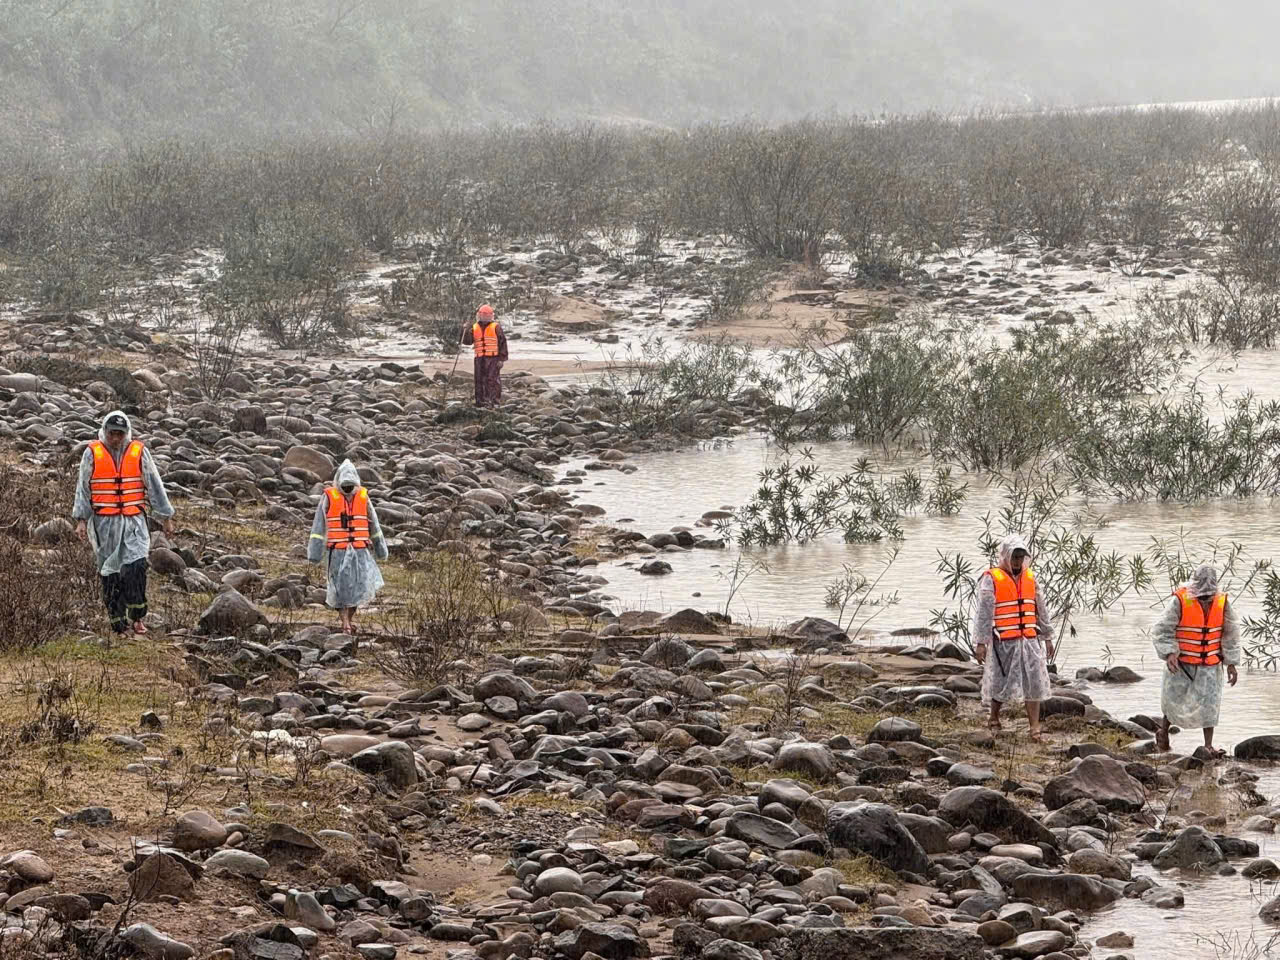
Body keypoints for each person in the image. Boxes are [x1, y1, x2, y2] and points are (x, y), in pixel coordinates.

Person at [71, 410, 175, 637]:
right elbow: (83, 488)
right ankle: (118, 624)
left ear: (126, 433)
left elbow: (154, 485)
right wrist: (81, 519)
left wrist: (166, 516)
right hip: (104, 524)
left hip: (134, 522)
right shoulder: (92, 453)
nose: (116, 438)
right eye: (112, 434)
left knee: (136, 567)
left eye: (120, 434)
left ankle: (137, 617)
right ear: (105, 432)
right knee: (111, 573)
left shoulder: (138, 452)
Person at [973, 534, 1055, 741]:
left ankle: (1034, 727)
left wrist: (1047, 638)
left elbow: (1041, 610)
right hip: (1004, 641)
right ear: (1006, 556)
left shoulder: (1030, 578)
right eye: (1014, 557)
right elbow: (984, 612)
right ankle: (994, 717)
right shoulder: (991, 578)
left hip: (1029, 640)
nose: (1018, 562)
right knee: (1000, 682)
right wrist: (981, 643)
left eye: (1021, 557)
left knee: (1034, 681)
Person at [1153, 564, 1240, 757]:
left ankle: (1208, 745)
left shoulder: (1223, 602)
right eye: (1202, 595)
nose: (1205, 598)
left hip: (1210, 664)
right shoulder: (1180, 601)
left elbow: (1231, 634)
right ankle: (1163, 732)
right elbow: (1161, 629)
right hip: (1182, 663)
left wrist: (1231, 664)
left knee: (1210, 704)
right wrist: (1170, 653)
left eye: (1208, 595)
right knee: (1173, 700)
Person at [307, 459, 388, 635]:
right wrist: (314, 552)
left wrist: (381, 549)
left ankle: (348, 621)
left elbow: (374, 525)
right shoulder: (328, 497)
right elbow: (318, 527)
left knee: (358, 587)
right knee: (340, 588)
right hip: (338, 551)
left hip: (359, 551)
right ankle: (346, 623)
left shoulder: (363, 497)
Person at [461, 303, 508, 407]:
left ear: (491, 316)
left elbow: (503, 343)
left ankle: (494, 402)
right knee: (479, 380)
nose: (485, 317)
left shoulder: (496, 327)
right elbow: (467, 341)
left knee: (492, 380)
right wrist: (464, 330)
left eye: (487, 315)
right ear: (479, 315)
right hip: (479, 358)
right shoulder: (474, 327)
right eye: (483, 315)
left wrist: (501, 359)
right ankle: (480, 401)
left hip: (493, 358)